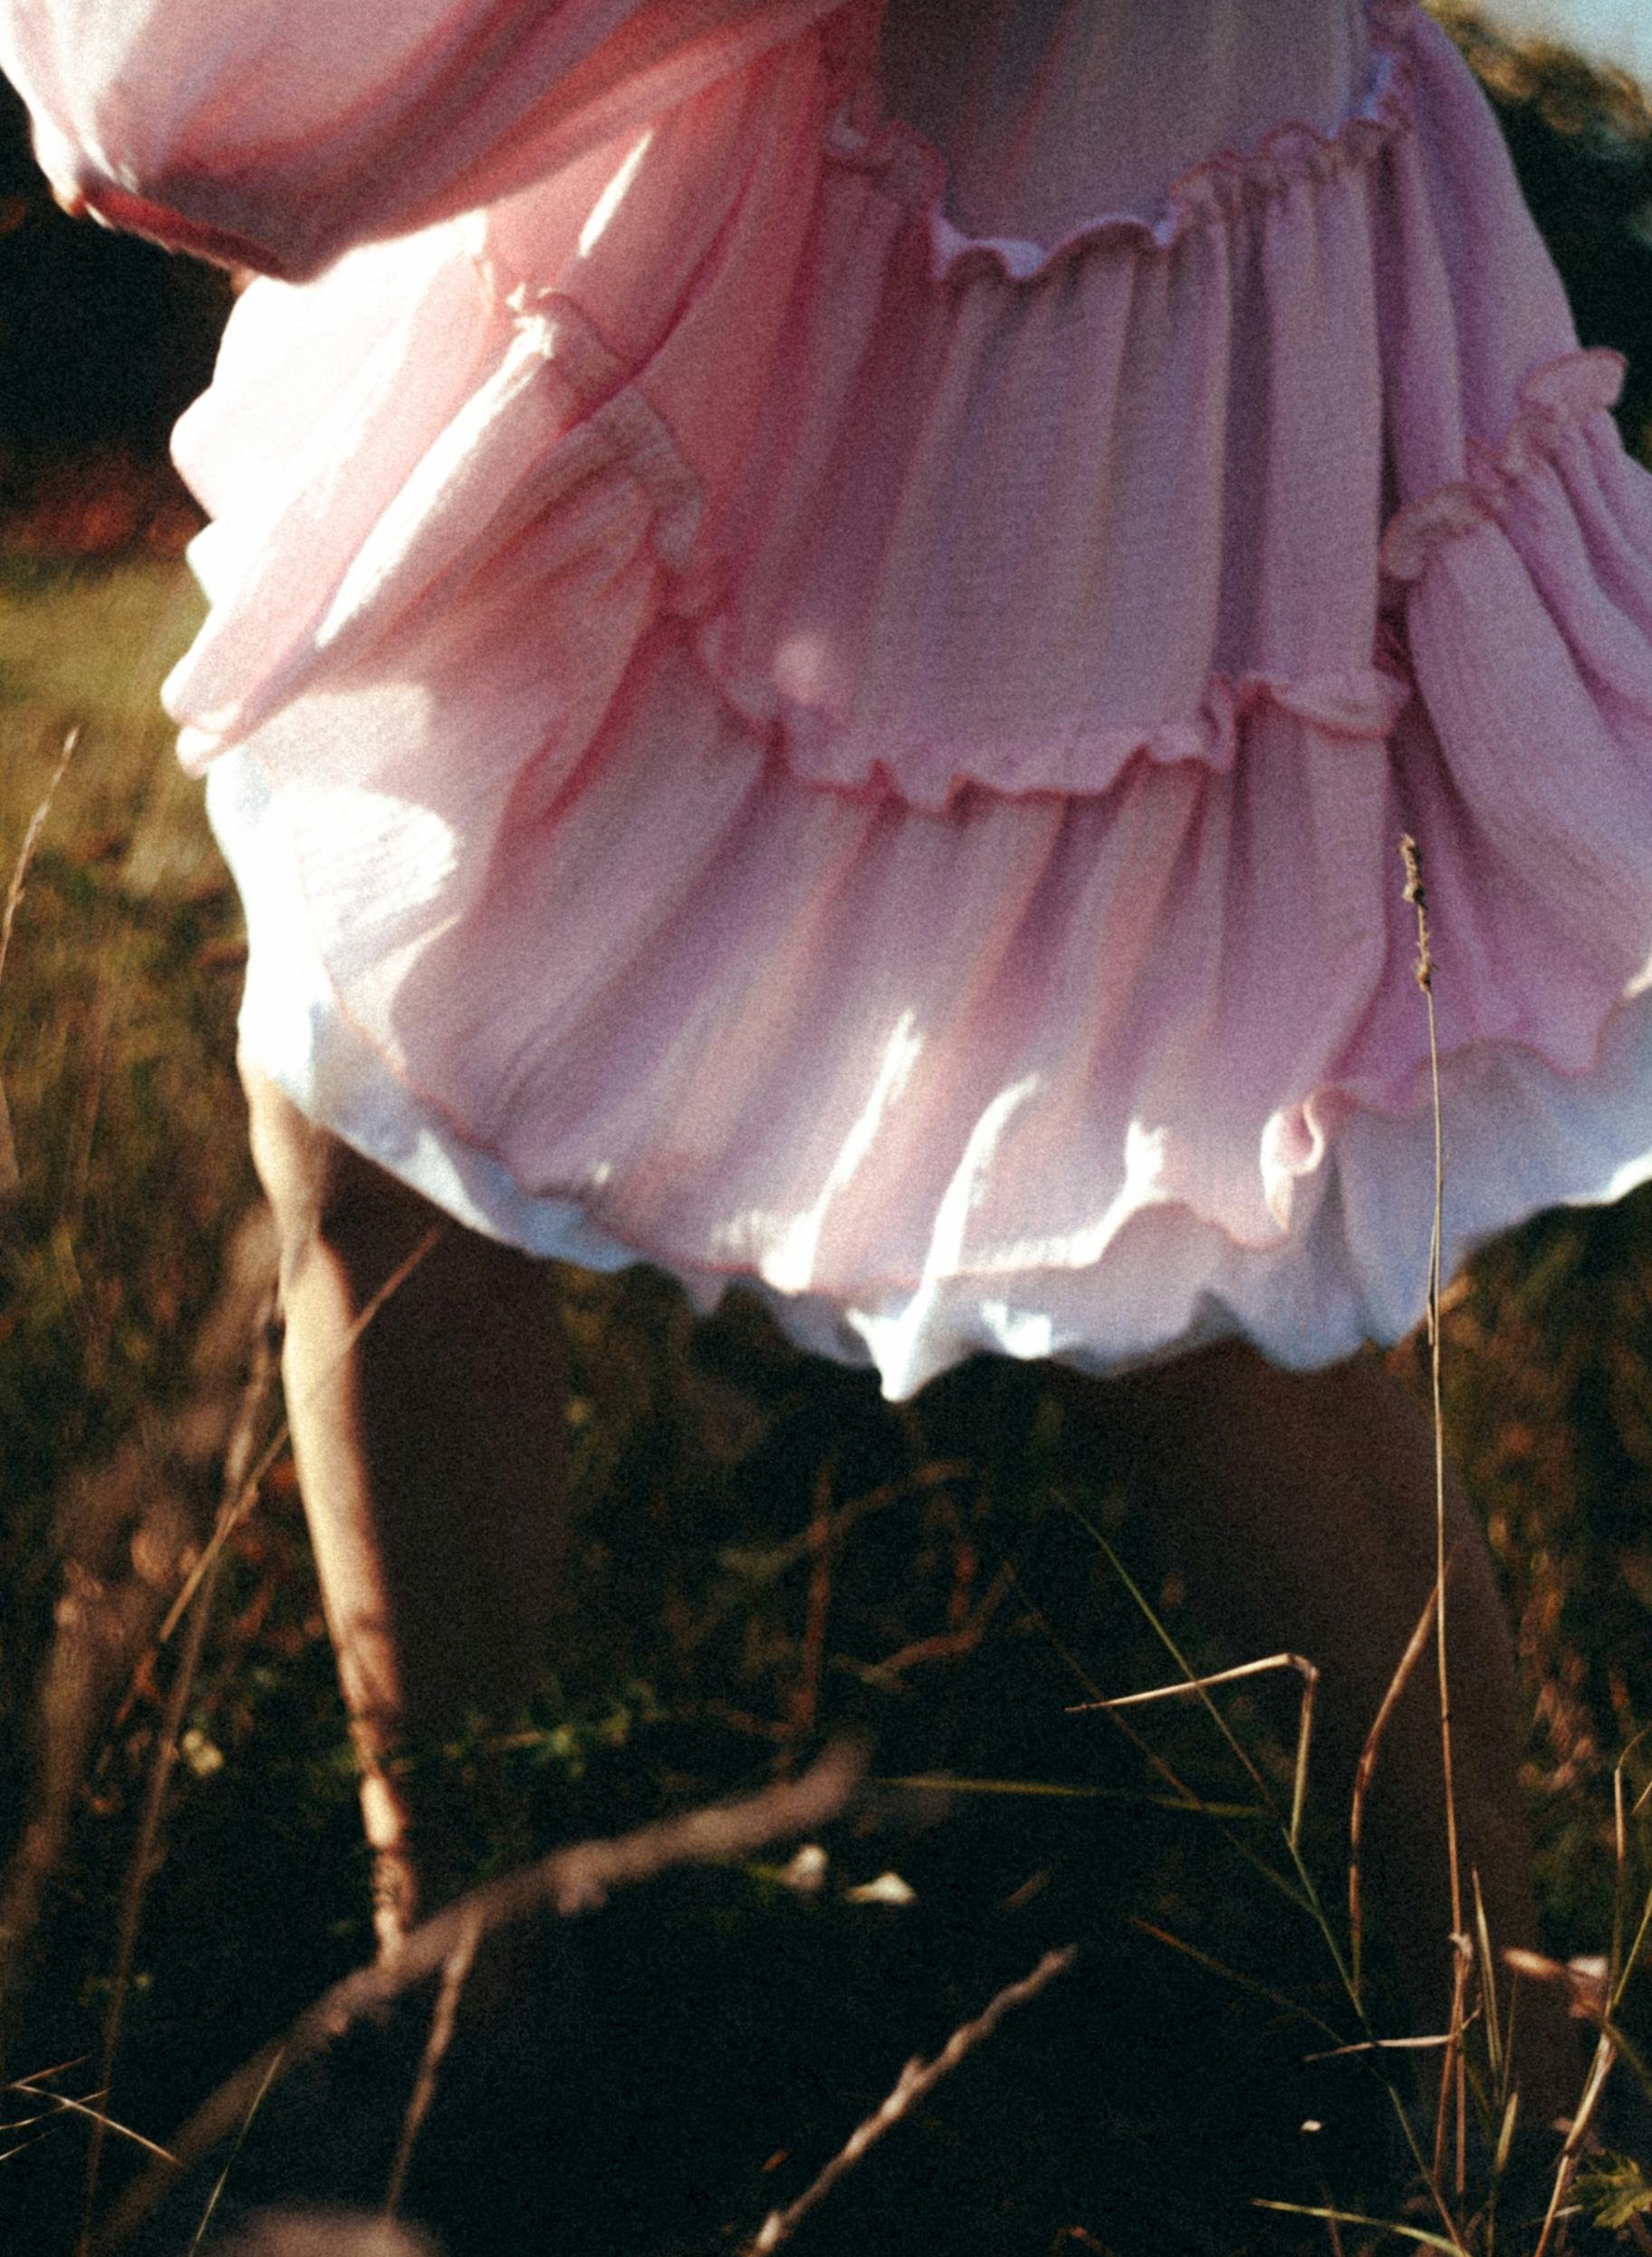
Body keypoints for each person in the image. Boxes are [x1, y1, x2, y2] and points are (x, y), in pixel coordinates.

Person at [7, 0, 1650, 2134]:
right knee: (382, 1065)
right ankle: (460, 1981)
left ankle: (1487, 2042)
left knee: (1160, 1197)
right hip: (853, 203)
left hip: (1093, 230)